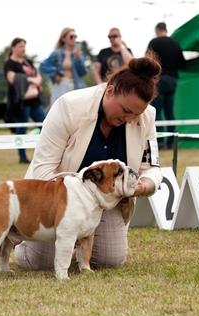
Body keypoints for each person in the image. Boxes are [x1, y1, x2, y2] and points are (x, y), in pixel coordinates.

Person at [14, 56, 163, 270]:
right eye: (126, 110)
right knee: (41, 263)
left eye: (136, 114)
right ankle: (23, 240)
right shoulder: (68, 106)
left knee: (110, 260)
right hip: (57, 199)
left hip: (105, 203)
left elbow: (152, 168)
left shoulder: (147, 116)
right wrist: (68, 212)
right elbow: (43, 168)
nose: (130, 119)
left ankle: (77, 246)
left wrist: (144, 186)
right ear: (110, 91)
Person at [4, 38, 46, 164]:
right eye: (21, 46)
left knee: (45, 125)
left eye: (24, 46)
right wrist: (32, 80)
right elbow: (12, 79)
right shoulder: (9, 64)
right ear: (13, 48)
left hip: (34, 100)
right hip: (21, 102)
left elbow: (38, 76)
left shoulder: (28, 62)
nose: (23, 49)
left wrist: (35, 80)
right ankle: (22, 156)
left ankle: (45, 154)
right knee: (21, 128)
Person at [146, 22, 186, 149]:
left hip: (158, 80)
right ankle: (172, 141)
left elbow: (147, 61)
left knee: (156, 111)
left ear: (157, 30)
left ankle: (160, 141)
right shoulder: (175, 44)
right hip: (173, 81)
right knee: (169, 112)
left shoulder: (154, 42)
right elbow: (183, 64)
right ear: (166, 30)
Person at [40, 27, 87, 106]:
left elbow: (82, 72)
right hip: (60, 85)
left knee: (77, 111)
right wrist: (55, 74)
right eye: (71, 36)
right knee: (59, 111)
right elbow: (43, 66)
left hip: (76, 86)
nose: (74, 39)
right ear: (64, 39)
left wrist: (78, 59)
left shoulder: (78, 53)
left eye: (75, 36)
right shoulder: (57, 53)